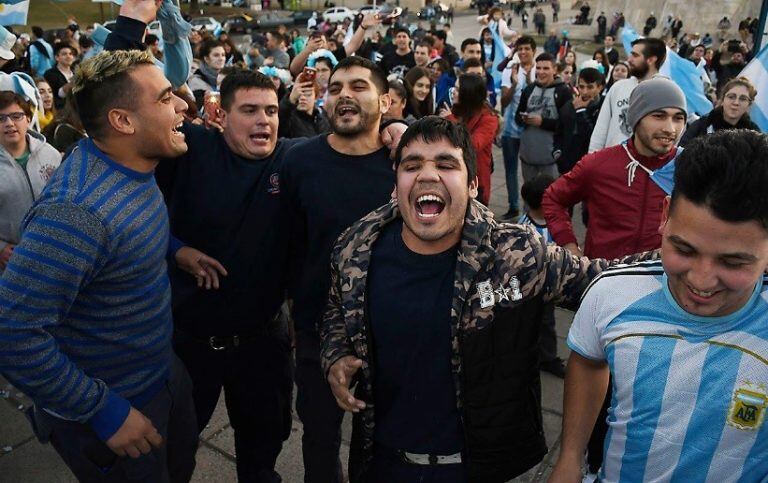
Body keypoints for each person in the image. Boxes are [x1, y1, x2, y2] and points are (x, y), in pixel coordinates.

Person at [321, 116, 658, 483]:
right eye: (412, 165)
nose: (427, 175)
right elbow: (337, 310)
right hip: (381, 463)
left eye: (446, 164)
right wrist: (335, 355)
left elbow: (601, 279)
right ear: (397, 182)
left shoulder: (515, 254)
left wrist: (681, 256)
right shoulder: (357, 247)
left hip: (481, 469)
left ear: (473, 184)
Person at [0, 48, 208, 483]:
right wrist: (104, 411)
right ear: (123, 121)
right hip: (117, 406)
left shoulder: (123, 161)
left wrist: (173, 249)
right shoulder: (77, 214)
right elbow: (12, 332)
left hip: (161, 371)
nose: (183, 106)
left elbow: (121, 231)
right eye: (167, 97)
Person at [549, 129, 768, 483]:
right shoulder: (611, 294)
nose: (702, 280)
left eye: (733, 263)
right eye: (684, 250)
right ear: (665, 213)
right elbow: (589, 360)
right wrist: (571, 457)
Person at [544, 78, 687, 478]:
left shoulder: (692, 167)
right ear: (636, 117)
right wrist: (568, 244)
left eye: (678, 118)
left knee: (653, 391)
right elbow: (554, 197)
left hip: (669, 296)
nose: (670, 127)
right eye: (659, 115)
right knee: (596, 384)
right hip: (606, 292)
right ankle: (589, 462)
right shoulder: (599, 164)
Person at [279, 56, 398, 483]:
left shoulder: (405, 163)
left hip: (392, 332)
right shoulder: (299, 162)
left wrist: (406, 131)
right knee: (319, 439)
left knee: (387, 441)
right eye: (335, 88)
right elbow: (289, 242)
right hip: (315, 332)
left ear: (385, 101)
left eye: (359, 86)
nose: (344, 94)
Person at [0, 91, 61, 271]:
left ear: (28, 118)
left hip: (54, 255)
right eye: (1, 118)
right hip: (11, 264)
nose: (9, 124)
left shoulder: (51, 154)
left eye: (16, 116)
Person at [519, 173, 565, 377]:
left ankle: (545, 355)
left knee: (546, 322)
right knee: (534, 322)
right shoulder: (524, 227)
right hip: (531, 287)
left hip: (550, 286)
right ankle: (542, 357)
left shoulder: (556, 223)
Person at [589, 38, 666, 152]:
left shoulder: (667, 91)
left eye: (635, 55)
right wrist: (593, 158)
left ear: (651, 59)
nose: (629, 60)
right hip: (610, 161)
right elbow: (601, 129)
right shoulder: (618, 87)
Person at [516, 52, 572, 183]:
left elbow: (567, 125)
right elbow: (517, 118)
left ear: (555, 70)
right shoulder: (529, 90)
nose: (541, 72)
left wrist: (543, 122)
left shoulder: (563, 91)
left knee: (550, 197)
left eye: (546, 68)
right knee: (529, 196)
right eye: (539, 68)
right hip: (528, 155)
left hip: (551, 159)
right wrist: (524, 119)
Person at [446, 73, 498, 206]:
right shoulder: (458, 111)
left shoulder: (488, 119)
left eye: (457, 89)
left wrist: (450, 120)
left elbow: (473, 145)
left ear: (467, 94)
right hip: (453, 176)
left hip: (476, 181)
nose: (453, 92)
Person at [499, 35, 536, 219]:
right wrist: (514, 84)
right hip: (510, 130)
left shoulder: (540, 70)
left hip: (531, 130)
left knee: (530, 172)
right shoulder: (510, 70)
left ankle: (530, 208)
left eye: (526, 49)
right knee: (510, 170)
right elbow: (504, 102)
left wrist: (529, 81)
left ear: (533, 51)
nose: (523, 52)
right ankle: (513, 205)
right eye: (520, 49)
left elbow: (538, 100)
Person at [553, 67, 604, 175]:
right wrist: (557, 153)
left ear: (599, 87)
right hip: (567, 167)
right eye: (581, 87)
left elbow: (593, 135)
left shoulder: (604, 108)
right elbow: (558, 133)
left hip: (590, 168)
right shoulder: (569, 105)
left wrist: (581, 112)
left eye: (590, 87)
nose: (584, 91)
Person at [680, 77, 760, 146]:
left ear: (749, 105)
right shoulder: (702, 125)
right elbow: (682, 153)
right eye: (731, 97)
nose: (736, 102)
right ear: (722, 100)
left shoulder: (754, 134)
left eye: (743, 99)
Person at [280, 70, 330, 138]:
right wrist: (291, 99)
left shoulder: (324, 120)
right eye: (299, 95)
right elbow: (280, 120)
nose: (302, 98)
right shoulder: (289, 119)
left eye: (307, 94)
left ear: (316, 97)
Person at [188, 39, 226, 107]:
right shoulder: (196, 81)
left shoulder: (229, 76)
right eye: (216, 55)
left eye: (223, 55)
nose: (221, 58)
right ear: (206, 59)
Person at [43, 42, 77, 110]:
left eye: (70, 54)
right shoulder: (50, 74)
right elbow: (57, 94)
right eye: (64, 54)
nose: (68, 56)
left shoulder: (75, 73)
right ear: (57, 57)